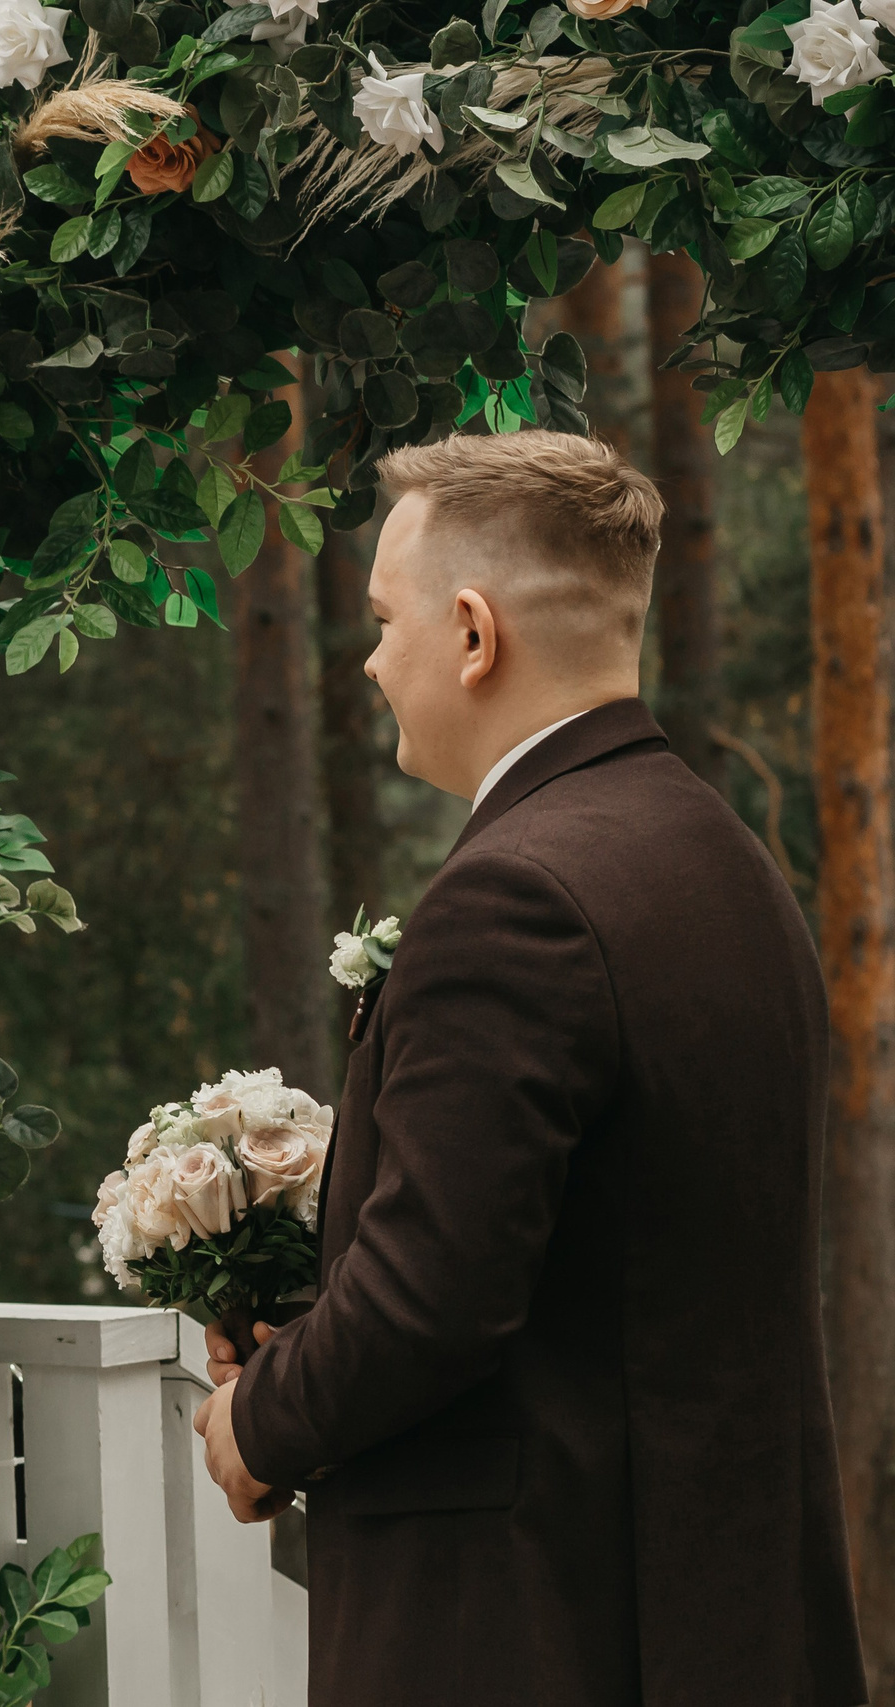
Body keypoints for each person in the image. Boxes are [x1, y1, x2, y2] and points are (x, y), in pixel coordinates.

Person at [193, 433, 867, 1706]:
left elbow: (427, 1303)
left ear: (471, 631)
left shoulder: (515, 897)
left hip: (531, 1627)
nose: (373, 661)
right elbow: (606, 1266)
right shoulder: (725, 863)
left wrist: (258, 1420)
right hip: (713, 1614)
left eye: (386, 621)